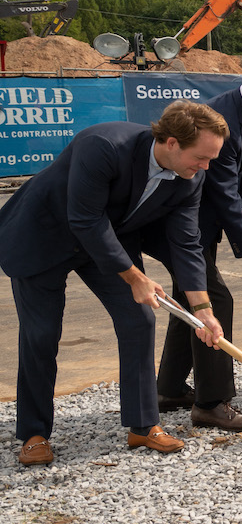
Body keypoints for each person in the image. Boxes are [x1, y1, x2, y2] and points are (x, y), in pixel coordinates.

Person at [0, 103, 227, 465]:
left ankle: (143, 426)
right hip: (43, 237)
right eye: (201, 157)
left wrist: (204, 311)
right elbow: (85, 219)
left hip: (106, 245)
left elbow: (186, 243)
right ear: (171, 143)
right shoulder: (104, 145)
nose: (206, 167)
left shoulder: (190, 176)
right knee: (40, 334)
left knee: (139, 319)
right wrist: (135, 277)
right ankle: (34, 433)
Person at [155, 46, 242, 431]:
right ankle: (212, 403)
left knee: (190, 297)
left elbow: (230, 189)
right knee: (214, 300)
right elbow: (221, 192)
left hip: (203, 222)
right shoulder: (221, 120)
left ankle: (167, 389)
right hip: (181, 225)